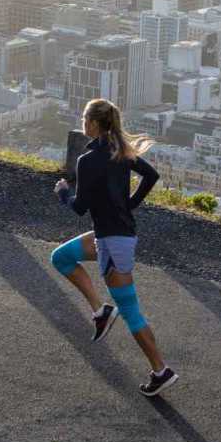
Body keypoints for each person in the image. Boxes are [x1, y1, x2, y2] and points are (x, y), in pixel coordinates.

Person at [51, 98, 177, 398]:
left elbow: (79, 207)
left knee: (132, 312)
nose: (83, 123)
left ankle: (161, 371)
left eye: (85, 119)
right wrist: (129, 204)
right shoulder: (120, 151)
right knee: (62, 257)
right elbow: (151, 176)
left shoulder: (88, 160)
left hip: (112, 242)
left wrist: (63, 192)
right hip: (112, 235)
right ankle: (100, 311)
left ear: (94, 123)